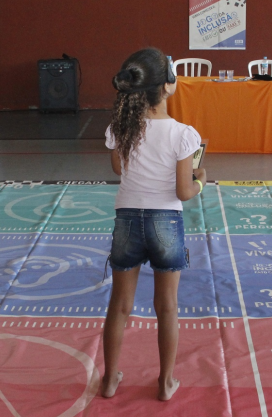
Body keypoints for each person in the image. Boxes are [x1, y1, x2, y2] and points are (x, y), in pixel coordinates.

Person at [100, 48, 205, 402]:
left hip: (127, 221)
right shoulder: (183, 134)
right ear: (169, 87)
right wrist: (200, 180)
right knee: (168, 307)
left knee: (119, 305)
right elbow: (183, 191)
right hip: (166, 223)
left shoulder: (119, 127)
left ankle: (110, 378)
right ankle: (165, 382)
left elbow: (118, 169)